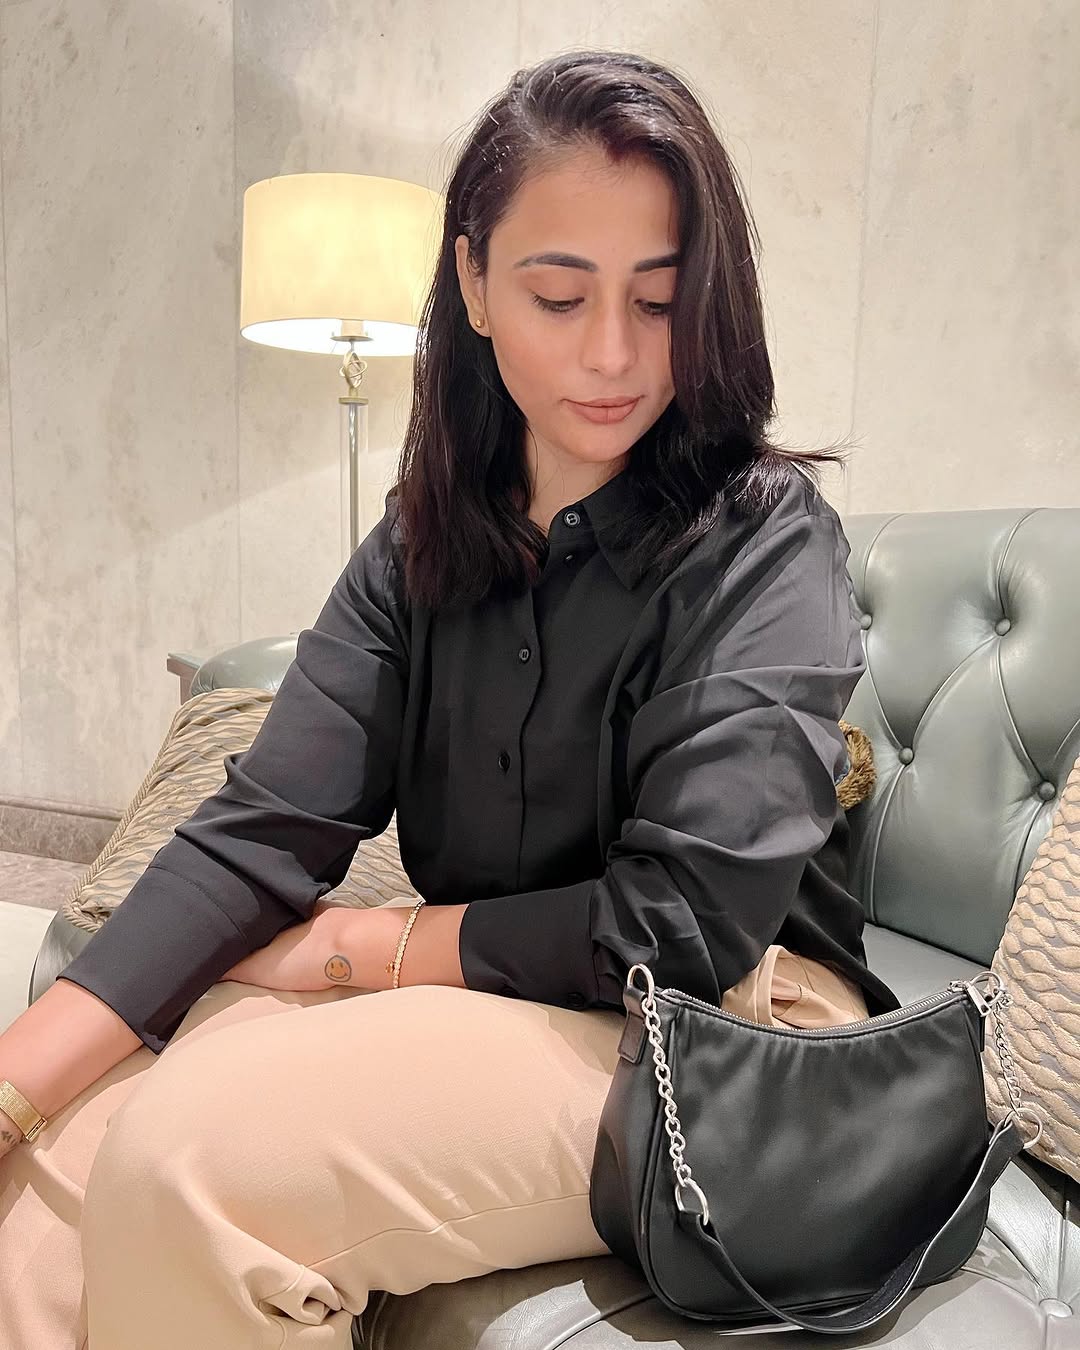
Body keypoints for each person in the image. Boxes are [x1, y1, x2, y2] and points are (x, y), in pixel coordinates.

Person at [0, 48, 900, 1350]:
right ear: (473, 282)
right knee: (59, 1169)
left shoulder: (768, 542)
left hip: (728, 1027)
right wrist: (18, 1080)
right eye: (558, 294)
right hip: (508, 1001)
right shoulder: (420, 546)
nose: (612, 352)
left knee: (193, 1165)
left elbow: (682, 925)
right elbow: (261, 830)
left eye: (659, 301)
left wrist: (357, 949)